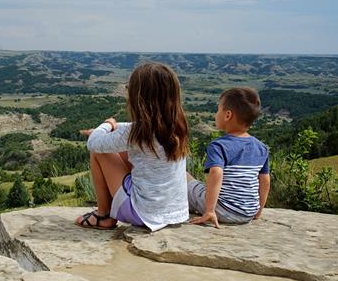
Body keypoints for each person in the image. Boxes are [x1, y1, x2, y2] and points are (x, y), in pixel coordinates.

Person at [75, 62, 190, 231]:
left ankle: (103, 214)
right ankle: (106, 212)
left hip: (142, 213)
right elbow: (136, 128)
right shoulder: (178, 127)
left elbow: (94, 143)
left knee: (98, 152)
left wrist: (107, 124)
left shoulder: (134, 133)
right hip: (175, 211)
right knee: (121, 151)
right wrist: (115, 127)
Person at [187, 87, 271, 228]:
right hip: (248, 213)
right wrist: (258, 211)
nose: (216, 113)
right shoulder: (261, 148)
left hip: (223, 210)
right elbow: (265, 181)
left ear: (227, 115)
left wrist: (210, 211)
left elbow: (216, 173)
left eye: (218, 109)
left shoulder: (219, 145)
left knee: (184, 177)